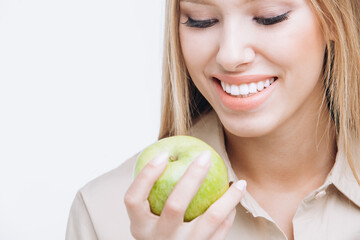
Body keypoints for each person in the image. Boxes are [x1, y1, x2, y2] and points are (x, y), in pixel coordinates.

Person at [66, 0, 360, 239]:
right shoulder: (102, 213)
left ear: (334, 18)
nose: (230, 55)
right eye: (201, 19)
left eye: (269, 17)